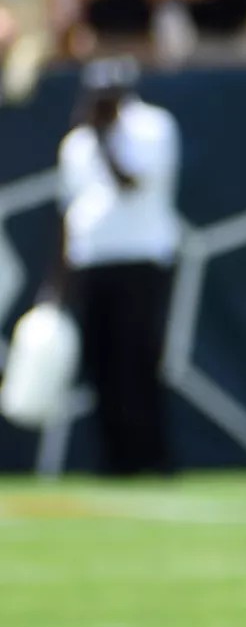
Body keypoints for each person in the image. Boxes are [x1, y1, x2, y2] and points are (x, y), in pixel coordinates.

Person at [56, 59, 179, 477]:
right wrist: (58, 279)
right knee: (100, 360)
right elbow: (69, 210)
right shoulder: (77, 141)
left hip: (141, 256)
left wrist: (105, 139)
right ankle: (112, 459)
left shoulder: (151, 127)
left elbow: (133, 183)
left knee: (138, 359)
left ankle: (153, 457)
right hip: (92, 260)